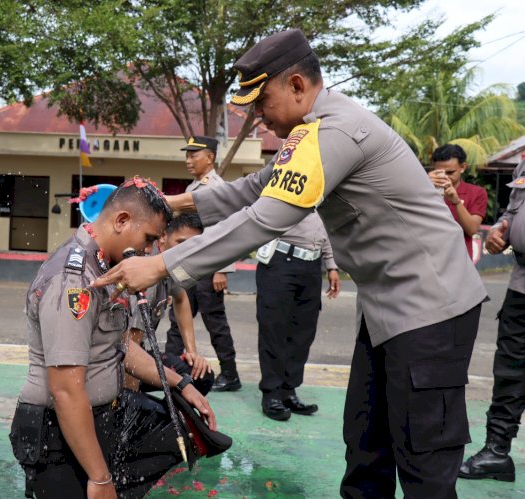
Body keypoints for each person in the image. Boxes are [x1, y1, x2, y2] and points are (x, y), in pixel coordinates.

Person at [93, 29, 488, 498]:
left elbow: (265, 219)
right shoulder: (310, 131)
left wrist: (160, 267)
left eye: (262, 102)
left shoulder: (335, 133)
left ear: (298, 86)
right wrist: (168, 204)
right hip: (386, 312)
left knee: (424, 462)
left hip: (431, 311)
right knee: (366, 447)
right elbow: (257, 186)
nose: (258, 117)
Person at [10, 177, 223, 499]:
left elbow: (121, 346)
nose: (149, 250)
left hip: (98, 416)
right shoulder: (75, 280)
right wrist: (99, 478)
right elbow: (66, 390)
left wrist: (181, 384)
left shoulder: (104, 267)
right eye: (148, 239)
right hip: (55, 432)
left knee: (188, 433)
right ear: (122, 220)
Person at [459, 156, 525, 482]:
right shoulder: (524, 163)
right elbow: (512, 211)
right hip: (521, 286)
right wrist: (500, 232)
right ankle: (497, 451)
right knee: (510, 370)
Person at [165, 136, 240, 392]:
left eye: (193, 155)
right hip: (188, 268)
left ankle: (230, 374)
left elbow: (227, 231)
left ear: (210, 157)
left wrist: (221, 269)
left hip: (208, 269)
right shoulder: (193, 187)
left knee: (215, 322)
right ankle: (170, 366)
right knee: (178, 319)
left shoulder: (218, 188)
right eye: (186, 155)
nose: (188, 160)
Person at [255, 210, 340, 421]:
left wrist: (331, 265)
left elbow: (324, 230)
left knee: (303, 332)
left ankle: (288, 390)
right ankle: (271, 394)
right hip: (281, 261)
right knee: (274, 329)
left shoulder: (325, 192)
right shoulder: (288, 184)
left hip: (311, 266)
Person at [125, 213, 214, 395]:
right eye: (181, 243)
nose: (187, 251)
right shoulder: (149, 272)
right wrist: (130, 402)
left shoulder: (171, 265)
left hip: (138, 352)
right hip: (117, 362)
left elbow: (181, 298)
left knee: (201, 374)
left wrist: (192, 352)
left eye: (194, 246)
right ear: (164, 236)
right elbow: (129, 349)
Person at [428, 144, 487, 259]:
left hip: (459, 260)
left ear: (463, 167)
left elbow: (472, 229)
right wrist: (424, 184)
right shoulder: (424, 188)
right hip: (428, 258)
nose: (445, 177)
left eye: (450, 173)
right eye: (440, 172)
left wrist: (457, 202)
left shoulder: (476, 192)